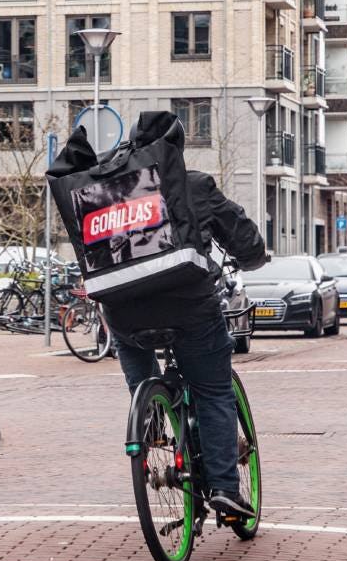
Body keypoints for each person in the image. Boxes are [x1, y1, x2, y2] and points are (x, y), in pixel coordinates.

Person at [103, 169, 268, 519]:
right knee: (212, 389)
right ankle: (224, 488)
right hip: (188, 308)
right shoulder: (193, 185)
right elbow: (243, 237)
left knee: (134, 355)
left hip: (125, 312)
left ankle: (151, 414)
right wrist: (253, 258)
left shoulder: (108, 193)